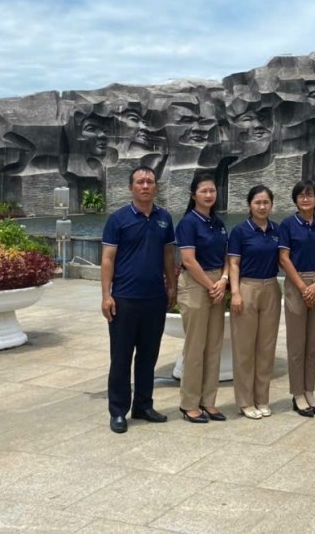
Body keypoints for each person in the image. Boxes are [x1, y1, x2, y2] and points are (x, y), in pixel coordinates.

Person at [101, 165, 176, 434]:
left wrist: (172, 286)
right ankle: (118, 411)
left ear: (156, 187)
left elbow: (169, 255)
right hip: (124, 299)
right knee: (120, 357)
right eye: (140, 182)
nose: (145, 186)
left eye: (150, 182)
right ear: (131, 187)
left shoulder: (164, 218)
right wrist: (106, 295)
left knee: (148, 356)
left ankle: (143, 405)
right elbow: (108, 258)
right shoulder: (118, 219)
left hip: (154, 298)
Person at [175, 171, 229, 423]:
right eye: (204, 191)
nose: (209, 195)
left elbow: (229, 256)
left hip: (217, 282)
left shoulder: (217, 223)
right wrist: (211, 285)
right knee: (195, 347)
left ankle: (209, 401)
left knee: (214, 346)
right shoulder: (188, 222)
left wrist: (224, 281)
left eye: (212, 191)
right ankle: (189, 404)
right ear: (193, 194)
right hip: (196, 285)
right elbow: (188, 259)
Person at [227, 185, 282, 419]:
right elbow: (234, 264)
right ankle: (244, 400)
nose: (262, 206)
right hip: (247, 288)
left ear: (271, 205)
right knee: (244, 348)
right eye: (257, 202)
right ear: (250, 204)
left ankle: (262, 398)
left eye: (266, 202)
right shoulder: (240, 231)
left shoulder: (276, 230)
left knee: (266, 348)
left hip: (271, 287)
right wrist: (236, 293)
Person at [277, 179, 315, 417]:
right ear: (296, 199)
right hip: (296, 284)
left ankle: (310, 390)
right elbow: (284, 258)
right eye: (301, 195)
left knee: (313, 344)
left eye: (310, 195)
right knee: (297, 344)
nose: (306, 199)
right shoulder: (288, 225)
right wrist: (302, 287)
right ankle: (297, 393)